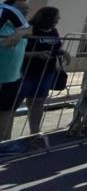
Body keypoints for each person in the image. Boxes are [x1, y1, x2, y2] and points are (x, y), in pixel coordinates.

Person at [20, 7, 68, 135]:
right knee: (16, 102)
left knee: (39, 101)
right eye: (57, 16)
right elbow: (18, 51)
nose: (59, 18)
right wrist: (36, 54)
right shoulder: (30, 30)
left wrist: (63, 52)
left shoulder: (53, 31)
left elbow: (56, 47)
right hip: (27, 71)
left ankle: (35, 132)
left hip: (47, 72)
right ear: (49, 17)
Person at [0, 0, 31, 141]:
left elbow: (29, 30)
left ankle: (5, 141)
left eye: (26, 8)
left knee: (8, 110)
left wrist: (18, 34)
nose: (24, 11)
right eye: (20, 8)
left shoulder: (18, 23)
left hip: (12, 75)